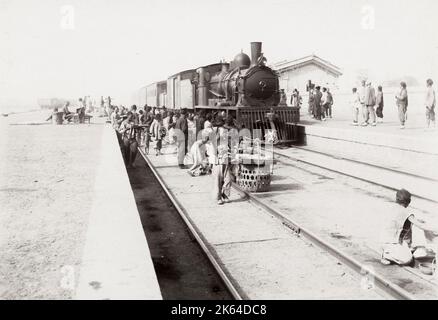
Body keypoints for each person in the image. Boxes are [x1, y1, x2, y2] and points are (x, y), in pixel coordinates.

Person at [380, 189, 434, 266]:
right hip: (392, 245)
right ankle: (387, 255)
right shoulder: (407, 212)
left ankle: (390, 252)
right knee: (408, 259)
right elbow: (421, 226)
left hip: (384, 242)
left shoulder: (391, 208)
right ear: (408, 201)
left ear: (396, 199)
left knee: (414, 248)